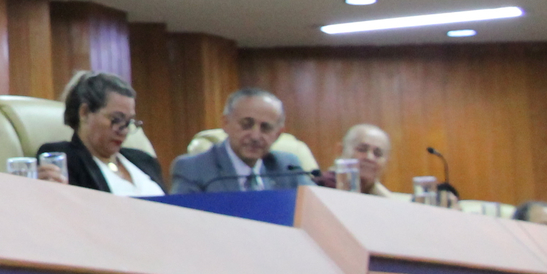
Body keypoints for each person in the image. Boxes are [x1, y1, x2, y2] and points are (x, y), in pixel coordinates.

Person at [37, 71, 161, 194]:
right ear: (84, 112)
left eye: (128, 122)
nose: (124, 131)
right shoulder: (65, 159)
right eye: (116, 119)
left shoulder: (145, 160)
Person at [171, 88, 314, 193]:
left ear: (278, 134)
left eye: (265, 128)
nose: (255, 136)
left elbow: (316, 210)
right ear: (225, 123)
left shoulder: (287, 167)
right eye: (246, 125)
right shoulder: (193, 168)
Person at [334, 123, 395, 196]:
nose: (369, 157)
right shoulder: (323, 187)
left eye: (377, 153)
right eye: (362, 149)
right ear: (341, 150)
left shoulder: (385, 199)